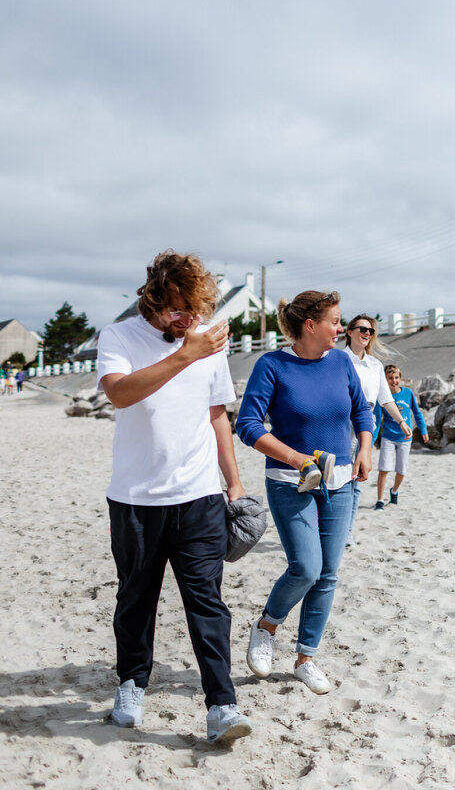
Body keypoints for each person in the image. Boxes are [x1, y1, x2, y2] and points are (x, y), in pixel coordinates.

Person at [96, 249, 251, 744]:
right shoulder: (119, 336)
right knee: (136, 598)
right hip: (135, 498)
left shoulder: (208, 340)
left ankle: (222, 706)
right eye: (178, 308)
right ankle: (131, 685)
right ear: (154, 299)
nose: (188, 318)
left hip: (200, 495)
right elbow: (119, 393)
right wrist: (187, 351)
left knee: (207, 601)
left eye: (196, 308)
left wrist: (236, 483)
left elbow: (217, 415)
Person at [235, 291, 374, 695]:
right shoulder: (272, 365)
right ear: (310, 326)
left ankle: (306, 658)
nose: (341, 329)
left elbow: (361, 410)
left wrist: (364, 448)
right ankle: (266, 627)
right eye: (335, 321)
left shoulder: (342, 362)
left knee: (328, 574)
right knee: (306, 568)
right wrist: (296, 458)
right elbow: (248, 425)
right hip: (289, 481)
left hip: (342, 482)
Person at [342, 315, 410, 542]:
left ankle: (347, 531)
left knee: (356, 480)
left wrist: (401, 421)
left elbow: (385, 399)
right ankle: (334, 529)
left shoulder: (375, 365)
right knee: (337, 478)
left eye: (370, 331)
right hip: (340, 422)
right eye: (362, 328)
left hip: (365, 424)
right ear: (349, 331)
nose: (366, 333)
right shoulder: (337, 358)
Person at [374, 364, 428, 510]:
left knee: (401, 471)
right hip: (388, 438)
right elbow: (377, 419)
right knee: (384, 469)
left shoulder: (408, 393)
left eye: (396, 377)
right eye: (390, 378)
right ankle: (379, 500)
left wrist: (423, 429)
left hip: (405, 439)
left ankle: (394, 491)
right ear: (385, 380)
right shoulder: (383, 396)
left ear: (400, 378)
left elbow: (417, 413)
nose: (394, 381)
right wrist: (372, 440)